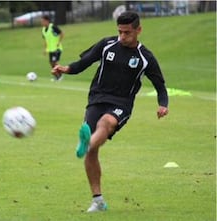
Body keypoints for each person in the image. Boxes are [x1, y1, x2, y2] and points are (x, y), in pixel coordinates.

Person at [52, 11, 169, 213]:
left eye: (127, 32)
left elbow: (160, 85)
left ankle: (86, 141)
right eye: (120, 32)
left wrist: (163, 104)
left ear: (138, 30)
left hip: (121, 103)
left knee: (105, 124)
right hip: (97, 98)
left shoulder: (145, 57)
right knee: (92, 151)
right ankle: (97, 200)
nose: (122, 36)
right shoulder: (107, 45)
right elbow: (84, 62)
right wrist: (66, 69)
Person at [41, 15, 64, 81]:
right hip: (50, 49)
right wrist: (45, 49)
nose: (42, 23)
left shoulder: (53, 27)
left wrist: (59, 42)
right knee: (51, 63)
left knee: (54, 62)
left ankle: (60, 75)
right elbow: (45, 40)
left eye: (43, 21)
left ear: (47, 21)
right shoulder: (43, 30)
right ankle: (57, 76)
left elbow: (61, 33)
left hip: (57, 49)